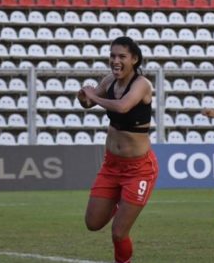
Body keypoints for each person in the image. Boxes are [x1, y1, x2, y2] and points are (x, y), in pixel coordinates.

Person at [77, 36, 157, 263]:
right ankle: (118, 203)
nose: (116, 61)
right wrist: (83, 96)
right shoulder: (109, 81)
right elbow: (89, 103)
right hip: (111, 165)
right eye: (112, 56)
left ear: (134, 59)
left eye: (122, 56)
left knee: (119, 232)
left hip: (138, 169)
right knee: (92, 224)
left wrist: (94, 96)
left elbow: (122, 107)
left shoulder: (142, 84)